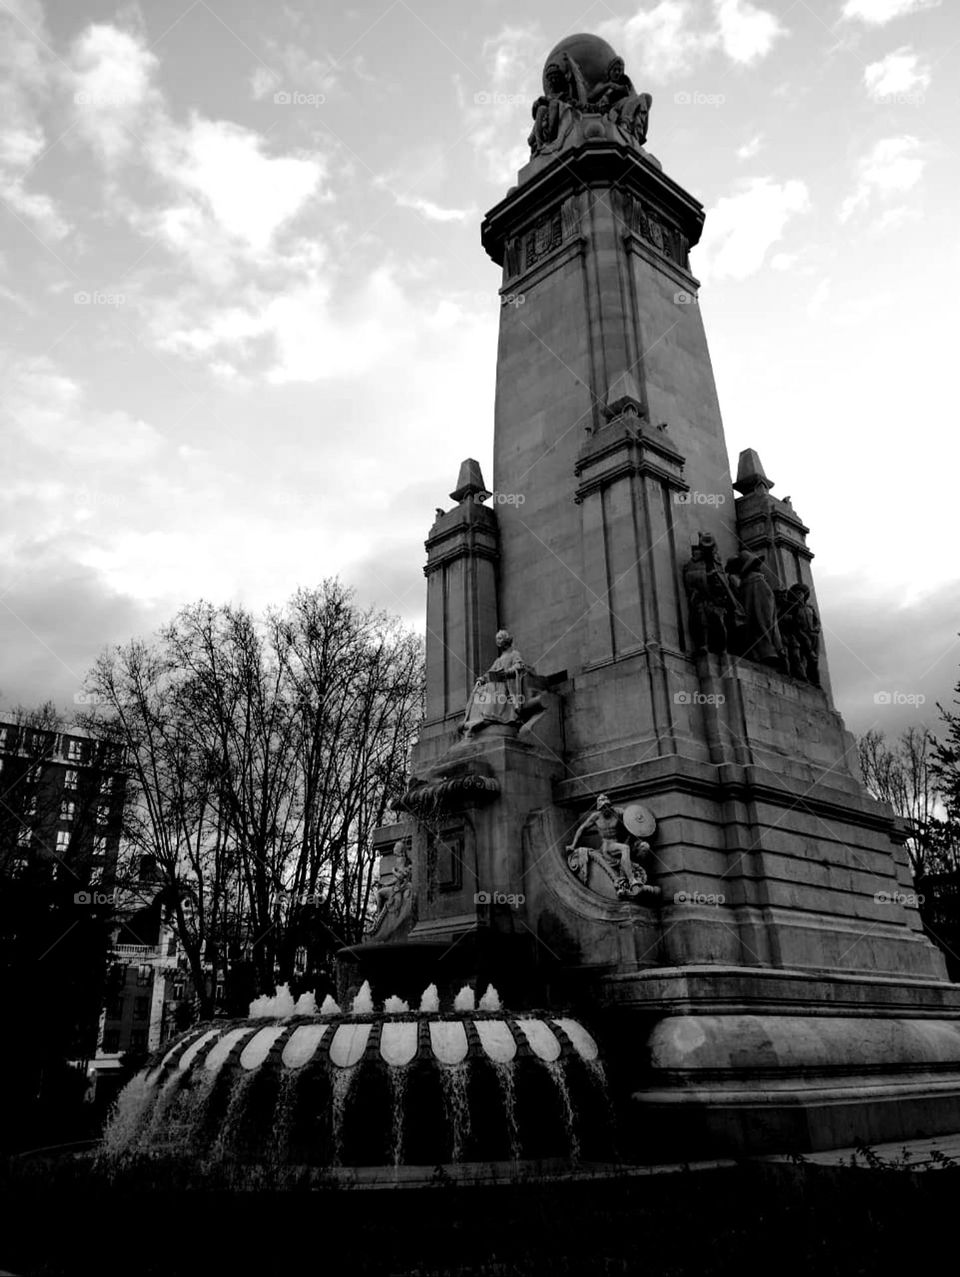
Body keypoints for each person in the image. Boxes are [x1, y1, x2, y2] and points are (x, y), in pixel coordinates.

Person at [567, 795, 648, 899]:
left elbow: (631, 819)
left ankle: (627, 881)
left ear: (610, 805)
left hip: (617, 843)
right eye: (602, 808)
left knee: (638, 847)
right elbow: (581, 829)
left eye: (607, 806)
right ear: (599, 809)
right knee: (625, 848)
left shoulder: (618, 812)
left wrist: (639, 819)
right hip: (607, 845)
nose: (605, 809)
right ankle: (632, 880)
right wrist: (573, 845)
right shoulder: (596, 817)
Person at [462, 630, 526, 734]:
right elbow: (489, 673)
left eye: (500, 638)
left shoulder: (514, 654)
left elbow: (519, 666)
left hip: (507, 685)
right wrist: (482, 679)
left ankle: (491, 716)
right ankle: (477, 717)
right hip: (497, 683)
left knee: (491, 688)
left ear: (506, 639)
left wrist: (507, 672)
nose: (498, 641)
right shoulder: (498, 660)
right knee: (481, 689)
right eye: (497, 639)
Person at [588, 57, 652, 144]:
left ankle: (629, 126)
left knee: (646, 97)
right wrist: (608, 85)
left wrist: (623, 88)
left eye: (620, 70)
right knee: (630, 101)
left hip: (624, 105)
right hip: (609, 108)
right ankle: (624, 124)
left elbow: (634, 96)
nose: (617, 72)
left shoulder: (624, 83)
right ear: (609, 71)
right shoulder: (602, 85)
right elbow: (590, 98)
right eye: (615, 70)